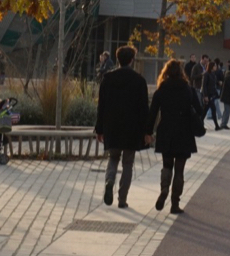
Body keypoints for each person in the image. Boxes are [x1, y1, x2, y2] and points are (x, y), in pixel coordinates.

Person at [95, 45, 150, 209]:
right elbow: (144, 109)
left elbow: (101, 106)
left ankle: (109, 180)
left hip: (112, 126)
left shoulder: (108, 79)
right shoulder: (139, 81)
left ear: (117, 59)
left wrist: (99, 129)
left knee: (113, 158)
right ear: (132, 60)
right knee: (128, 163)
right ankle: (122, 199)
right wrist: (147, 132)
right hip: (131, 128)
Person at [147, 58, 203, 214]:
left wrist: (148, 132)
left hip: (166, 131)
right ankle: (175, 204)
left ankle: (164, 189)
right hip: (184, 132)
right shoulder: (188, 89)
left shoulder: (162, 89)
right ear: (181, 72)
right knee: (179, 170)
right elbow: (199, 110)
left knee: (167, 165)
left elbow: (152, 113)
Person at [201, 61, 222, 131]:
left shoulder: (213, 74)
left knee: (206, 110)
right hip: (208, 95)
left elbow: (213, 84)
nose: (216, 67)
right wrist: (205, 96)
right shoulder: (206, 74)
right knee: (212, 109)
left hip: (212, 95)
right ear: (211, 67)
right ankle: (216, 126)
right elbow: (204, 85)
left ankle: (200, 123)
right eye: (215, 66)